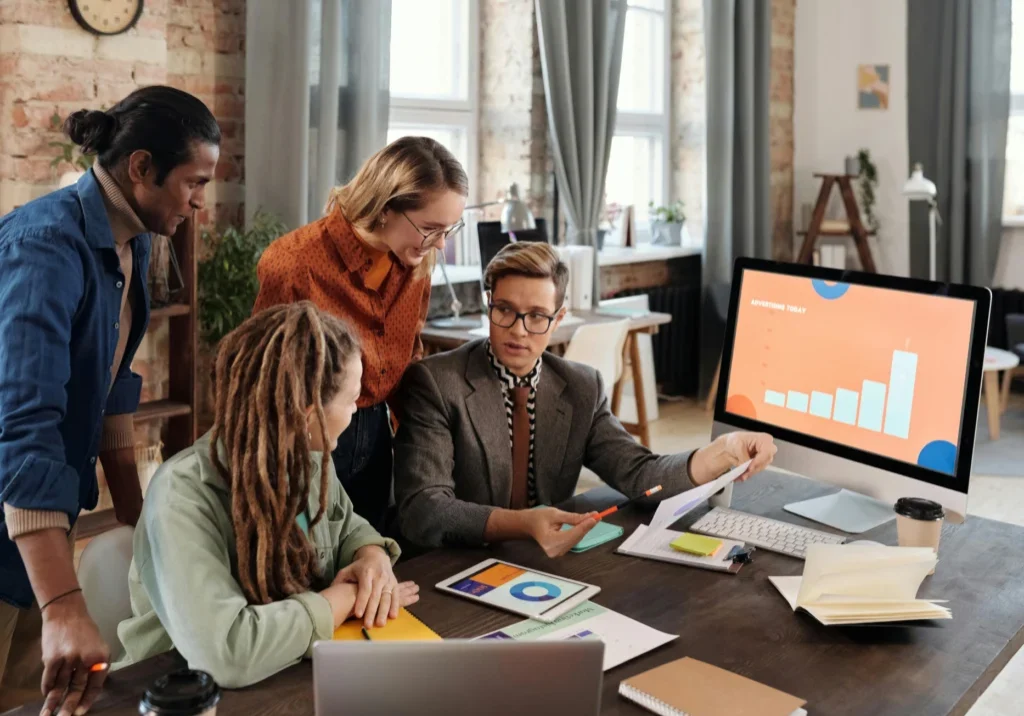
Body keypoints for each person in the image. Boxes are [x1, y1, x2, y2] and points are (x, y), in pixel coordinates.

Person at [0, 86, 220, 715]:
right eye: (193, 182)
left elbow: (113, 382)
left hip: (36, 524)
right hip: (14, 506)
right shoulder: (42, 248)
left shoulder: (137, 240)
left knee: (37, 699)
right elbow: (26, 426)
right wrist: (65, 603)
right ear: (141, 167)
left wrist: (143, 523)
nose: (200, 203)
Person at [393, 242, 778, 556]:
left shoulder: (581, 386)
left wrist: (719, 452)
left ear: (558, 319)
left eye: (537, 316)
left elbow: (641, 477)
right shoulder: (436, 382)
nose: (518, 330)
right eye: (504, 311)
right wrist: (521, 524)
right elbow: (423, 510)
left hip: (544, 563)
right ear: (488, 304)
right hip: (450, 563)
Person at [116, 303, 419, 689]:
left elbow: (345, 527)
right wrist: (341, 600)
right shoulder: (182, 496)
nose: (356, 412)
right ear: (308, 416)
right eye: (352, 400)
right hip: (173, 693)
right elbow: (227, 654)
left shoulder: (307, 460)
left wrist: (371, 555)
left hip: (286, 679)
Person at [253, 137, 468, 531]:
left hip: (376, 432)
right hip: (308, 436)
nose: (440, 243)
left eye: (449, 229)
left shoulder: (417, 259)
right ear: (386, 209)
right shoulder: (294, 263)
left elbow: (409, 353)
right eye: (431, 228)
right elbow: (265, 382)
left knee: (368, 555)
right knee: (309, 563)